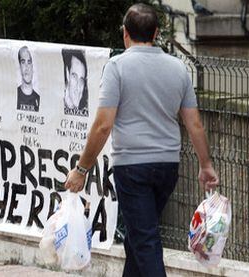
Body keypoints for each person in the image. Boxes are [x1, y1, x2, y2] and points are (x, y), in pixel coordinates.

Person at [65, 3, 219, 277]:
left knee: (145, 241)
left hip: (132, 167)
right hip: (167, 167)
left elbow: (103, 126)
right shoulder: (179, 68)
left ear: (125, 33)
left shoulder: (117, 67)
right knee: (138, 237)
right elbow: (194, 123)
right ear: (157, 32)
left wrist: (81, 169)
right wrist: (205, 164)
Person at [62, 49, 88, 117]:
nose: (78, 87)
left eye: (81, 80)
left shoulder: (86, 108)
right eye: (74, 77)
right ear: (67, 74)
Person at [17, 46, 40, 112]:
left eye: (29, 62)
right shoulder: (13, 95)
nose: (26, 67)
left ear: (33, 67)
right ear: (19, 66)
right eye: (23, 62)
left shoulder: (38, 99)